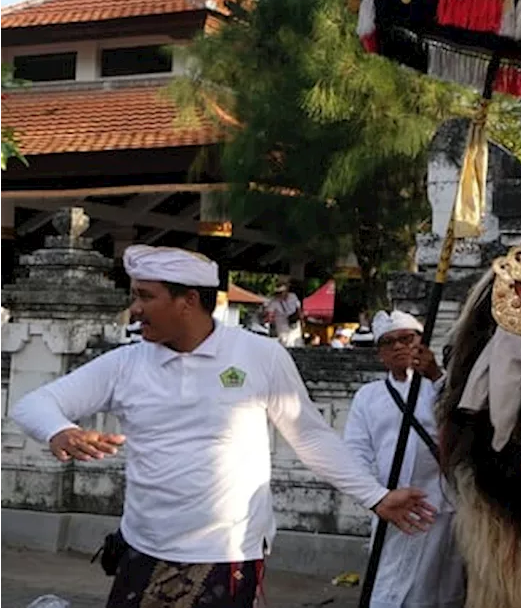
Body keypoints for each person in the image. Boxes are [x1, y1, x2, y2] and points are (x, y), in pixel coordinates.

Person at [9, 245, 436, 608]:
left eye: (145, 296)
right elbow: (34, 403)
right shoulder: (126, 363)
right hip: (143, 548)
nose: (135, 309)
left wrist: (376, 497)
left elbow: (310, 436)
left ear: (187, 300)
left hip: (227, 555)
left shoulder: (259, 356)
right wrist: (59, 431)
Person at [344, 311, 465, 608]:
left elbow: (462, 424)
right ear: (380, 354)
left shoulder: (444, 389)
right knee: (386, 584)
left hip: (440, 506)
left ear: (421, 343)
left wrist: (436, 376)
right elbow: (355, 452)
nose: (398, 347)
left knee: (436, 591)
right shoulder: (368, 397)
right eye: (389, 343)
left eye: (406, 339)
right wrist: (375, 495)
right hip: (393, 506)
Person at [265, 280, 304, 347]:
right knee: (285, 342)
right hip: (282, 326)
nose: (280, 295)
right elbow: (270, 314)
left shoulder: (293, 296)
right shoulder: (274, 302)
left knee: (296, 342)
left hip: (294, 323)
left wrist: (301, 320)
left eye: (281, 292)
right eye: (278, 293)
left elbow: (298, 308)